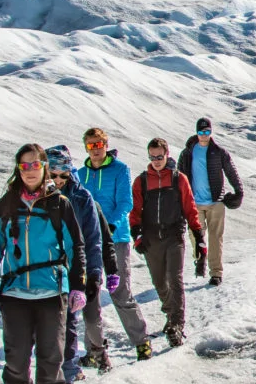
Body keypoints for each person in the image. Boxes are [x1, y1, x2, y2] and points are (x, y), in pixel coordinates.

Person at [0, 144, 88, 384]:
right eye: (24, 166)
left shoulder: (59, 204)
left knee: (51, 357)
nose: (30, 171)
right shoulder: (7, 204)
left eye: (35, 165)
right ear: (18, 168)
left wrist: (77, 285)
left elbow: (76, 247)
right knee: (15, 356)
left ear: (43, 167)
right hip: (15, 293)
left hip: (52, 291)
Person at [78, 127, 153, 361]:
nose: (95, 149)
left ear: (106, 144)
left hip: (115, 238)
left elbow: (125, 202)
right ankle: (93, 349)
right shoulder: (81, 174)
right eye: (91, 145)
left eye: (99, 144)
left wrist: (109, 226)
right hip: (88, 241)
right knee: (89, 294)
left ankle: (141, 342)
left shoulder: (120, 169)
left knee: (120, 291)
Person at [46, 145, 114, 384]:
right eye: (53, 175)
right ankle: (48, 373)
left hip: (73, 269)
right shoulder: (36, 196)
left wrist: (95, 273)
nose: (58, 180)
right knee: (46, 325)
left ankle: (68, 371)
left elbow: (93, 239)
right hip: (43, 270)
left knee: (69, 322)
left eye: (63, 175)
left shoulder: (81, 197)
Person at [130, 137, 205, 348]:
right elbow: (135, 211)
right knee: (159, 282)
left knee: (175, 278)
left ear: (167, 154)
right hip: (152, 237)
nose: (156, 161)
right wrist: (137, 235)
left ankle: (176, 324)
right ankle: (170, 313)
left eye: (159, 156)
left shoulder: (179, 179)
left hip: (174, 235)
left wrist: (198, 235)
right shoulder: (141, 181)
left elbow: (190, 208)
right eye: (152, 157)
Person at [178, 117, 244, 287]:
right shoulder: (187, 153)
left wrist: (238, 190)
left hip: (216, 202)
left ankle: (216, 273)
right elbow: (179, 177)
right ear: (196, 132)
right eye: (201, 132)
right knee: (194, 236)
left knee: (216, 238)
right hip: (194, 203)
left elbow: (231, 171)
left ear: (211, 132)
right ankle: (200, 259)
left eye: (207, 132)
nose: (204, 135)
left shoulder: (219, 152)